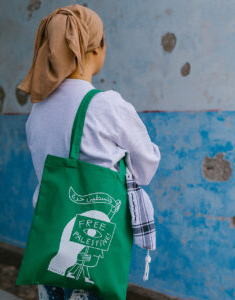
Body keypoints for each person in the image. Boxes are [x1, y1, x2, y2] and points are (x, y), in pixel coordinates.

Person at [18, 3, 161, 300]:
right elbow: (146, 169)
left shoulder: (38, 111)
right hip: (94, 249)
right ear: (97, 48)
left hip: (50, 245)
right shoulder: (108, 105)